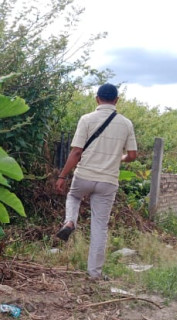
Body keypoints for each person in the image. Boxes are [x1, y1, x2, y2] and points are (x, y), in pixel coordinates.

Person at [54, 83, 137, 279]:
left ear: (96, 99)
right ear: (117, 100)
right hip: (108, 181)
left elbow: (76, 152)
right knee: (99, 226)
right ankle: (94, 274)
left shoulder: (86, 119)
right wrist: (120, 159)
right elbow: (132, 155)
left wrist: (62, 176)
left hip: (84, 176)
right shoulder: (126, 123)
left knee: (73, 197)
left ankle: (70, 221)